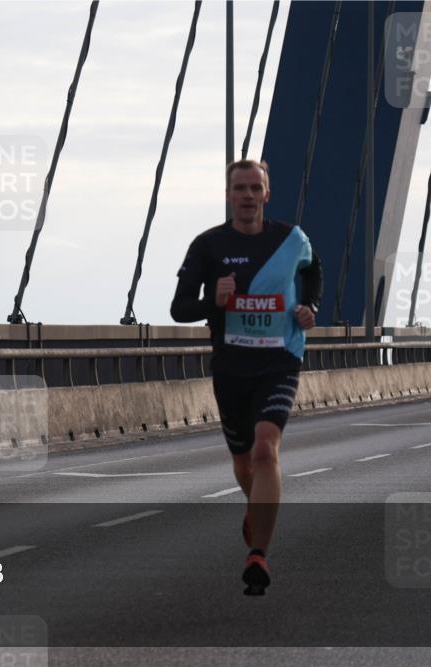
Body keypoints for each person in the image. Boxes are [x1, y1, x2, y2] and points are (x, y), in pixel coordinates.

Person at [170, 159, 322, 595]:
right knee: (242, 462)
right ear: (228, 195)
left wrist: (310, 305)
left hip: (280, 361)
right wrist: (215, 303)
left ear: (267, 195)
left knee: (264, 450)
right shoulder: (208, 246)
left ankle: (258, 554)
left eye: (256, 188)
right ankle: (257, 508)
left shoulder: (291, 239)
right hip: (231, 368)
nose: (248, 196)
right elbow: (180, 309)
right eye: (240, 188)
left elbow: (313, 270)